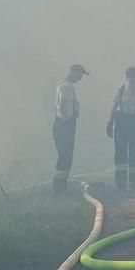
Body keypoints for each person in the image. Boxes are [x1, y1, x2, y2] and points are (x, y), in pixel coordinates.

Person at [106, 66, 135, 190]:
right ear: (127, 77)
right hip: (121, 123)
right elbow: (114, 106)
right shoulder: (121, 89)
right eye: (132, 76)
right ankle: (120, 183)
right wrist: (110, 123)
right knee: (120, 152)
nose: (134, 79)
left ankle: (134, 182)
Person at [52, 63, 88, 194]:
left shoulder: (62, 85)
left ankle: (60, 187)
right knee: (65, 158)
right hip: (65, 125)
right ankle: (59, 189)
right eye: (80, 75)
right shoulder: (67, 87)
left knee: (64, 157)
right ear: (74, 72)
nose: (80, 78)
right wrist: (68, 119)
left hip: (62, 124)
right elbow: (63, 106)